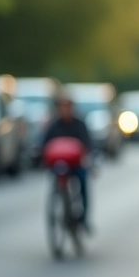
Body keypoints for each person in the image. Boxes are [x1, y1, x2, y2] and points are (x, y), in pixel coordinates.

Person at [42, 94, 93, 229]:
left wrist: (89, 158)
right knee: (56, 180)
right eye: (62, 107)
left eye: (67, 107)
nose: (65, 110)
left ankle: (83, 217)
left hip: (76, 165)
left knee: (83, 182)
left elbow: (88, 144)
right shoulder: (54, 125)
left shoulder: (79, 124)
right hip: (59, 165)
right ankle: (61, 204)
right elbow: (45, 144)